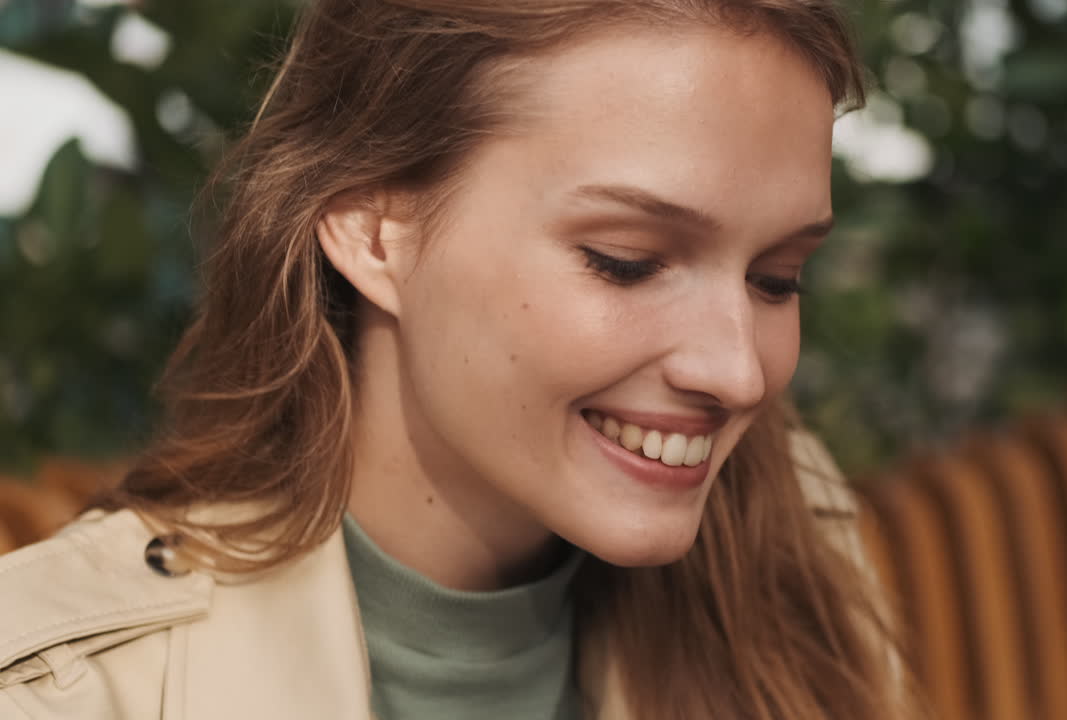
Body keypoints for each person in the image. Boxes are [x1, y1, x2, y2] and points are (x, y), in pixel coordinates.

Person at [0, 0, 912, 718]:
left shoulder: (790, 538)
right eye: (626, 261)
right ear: (373, 227)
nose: (738, 372)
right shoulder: (65, 689)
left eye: (778, 278)